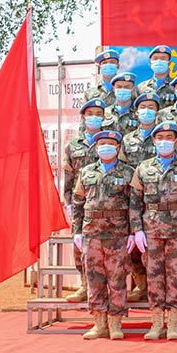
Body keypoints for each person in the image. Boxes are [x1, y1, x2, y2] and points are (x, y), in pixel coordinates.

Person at [129, 122, 177, 341]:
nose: (164, 141)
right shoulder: (143, 168)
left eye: (169, 137)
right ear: (154, 141)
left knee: (175, 276)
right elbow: (134, 202)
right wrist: (137, 230)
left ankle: (174, 324)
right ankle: (157, 322)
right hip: (151, 230)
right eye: (160, 138)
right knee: (154, 276)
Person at [71, 130, 135, 340]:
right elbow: (78, 202)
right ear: (96, 147)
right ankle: (99, 324)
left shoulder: (128, 173)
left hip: (118, 234)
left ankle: (115, 324)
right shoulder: (86, 172)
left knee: (117, 279)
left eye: (110, 143)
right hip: (92, 234)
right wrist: (76, 231)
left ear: (118, 148)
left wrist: (134, 232)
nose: (106, 147)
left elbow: (135, 205)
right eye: (102, 144)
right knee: (94, 279)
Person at [119, 92, 162, 303]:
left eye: (151, 107)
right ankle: (141, 284)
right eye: (143, 107)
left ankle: (157, 288)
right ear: (136, 112)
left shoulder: (163, 137)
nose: (147, 111)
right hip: (133, 197)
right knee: (134, 244)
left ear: (157, 112)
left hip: (158, 199)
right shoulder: (127, 140)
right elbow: (121, 167)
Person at [63, 99, 105, 303]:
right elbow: (68, 177)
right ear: (83, 117)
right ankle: (84, 285)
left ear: (104, 117)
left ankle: (106, 289)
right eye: (90, 114)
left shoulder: (109, 141)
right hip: (81, 204)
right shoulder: (72, 146)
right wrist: (69, 203)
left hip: (106, 203)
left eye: (98, 114)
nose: (94, 117)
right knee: (80, 246)